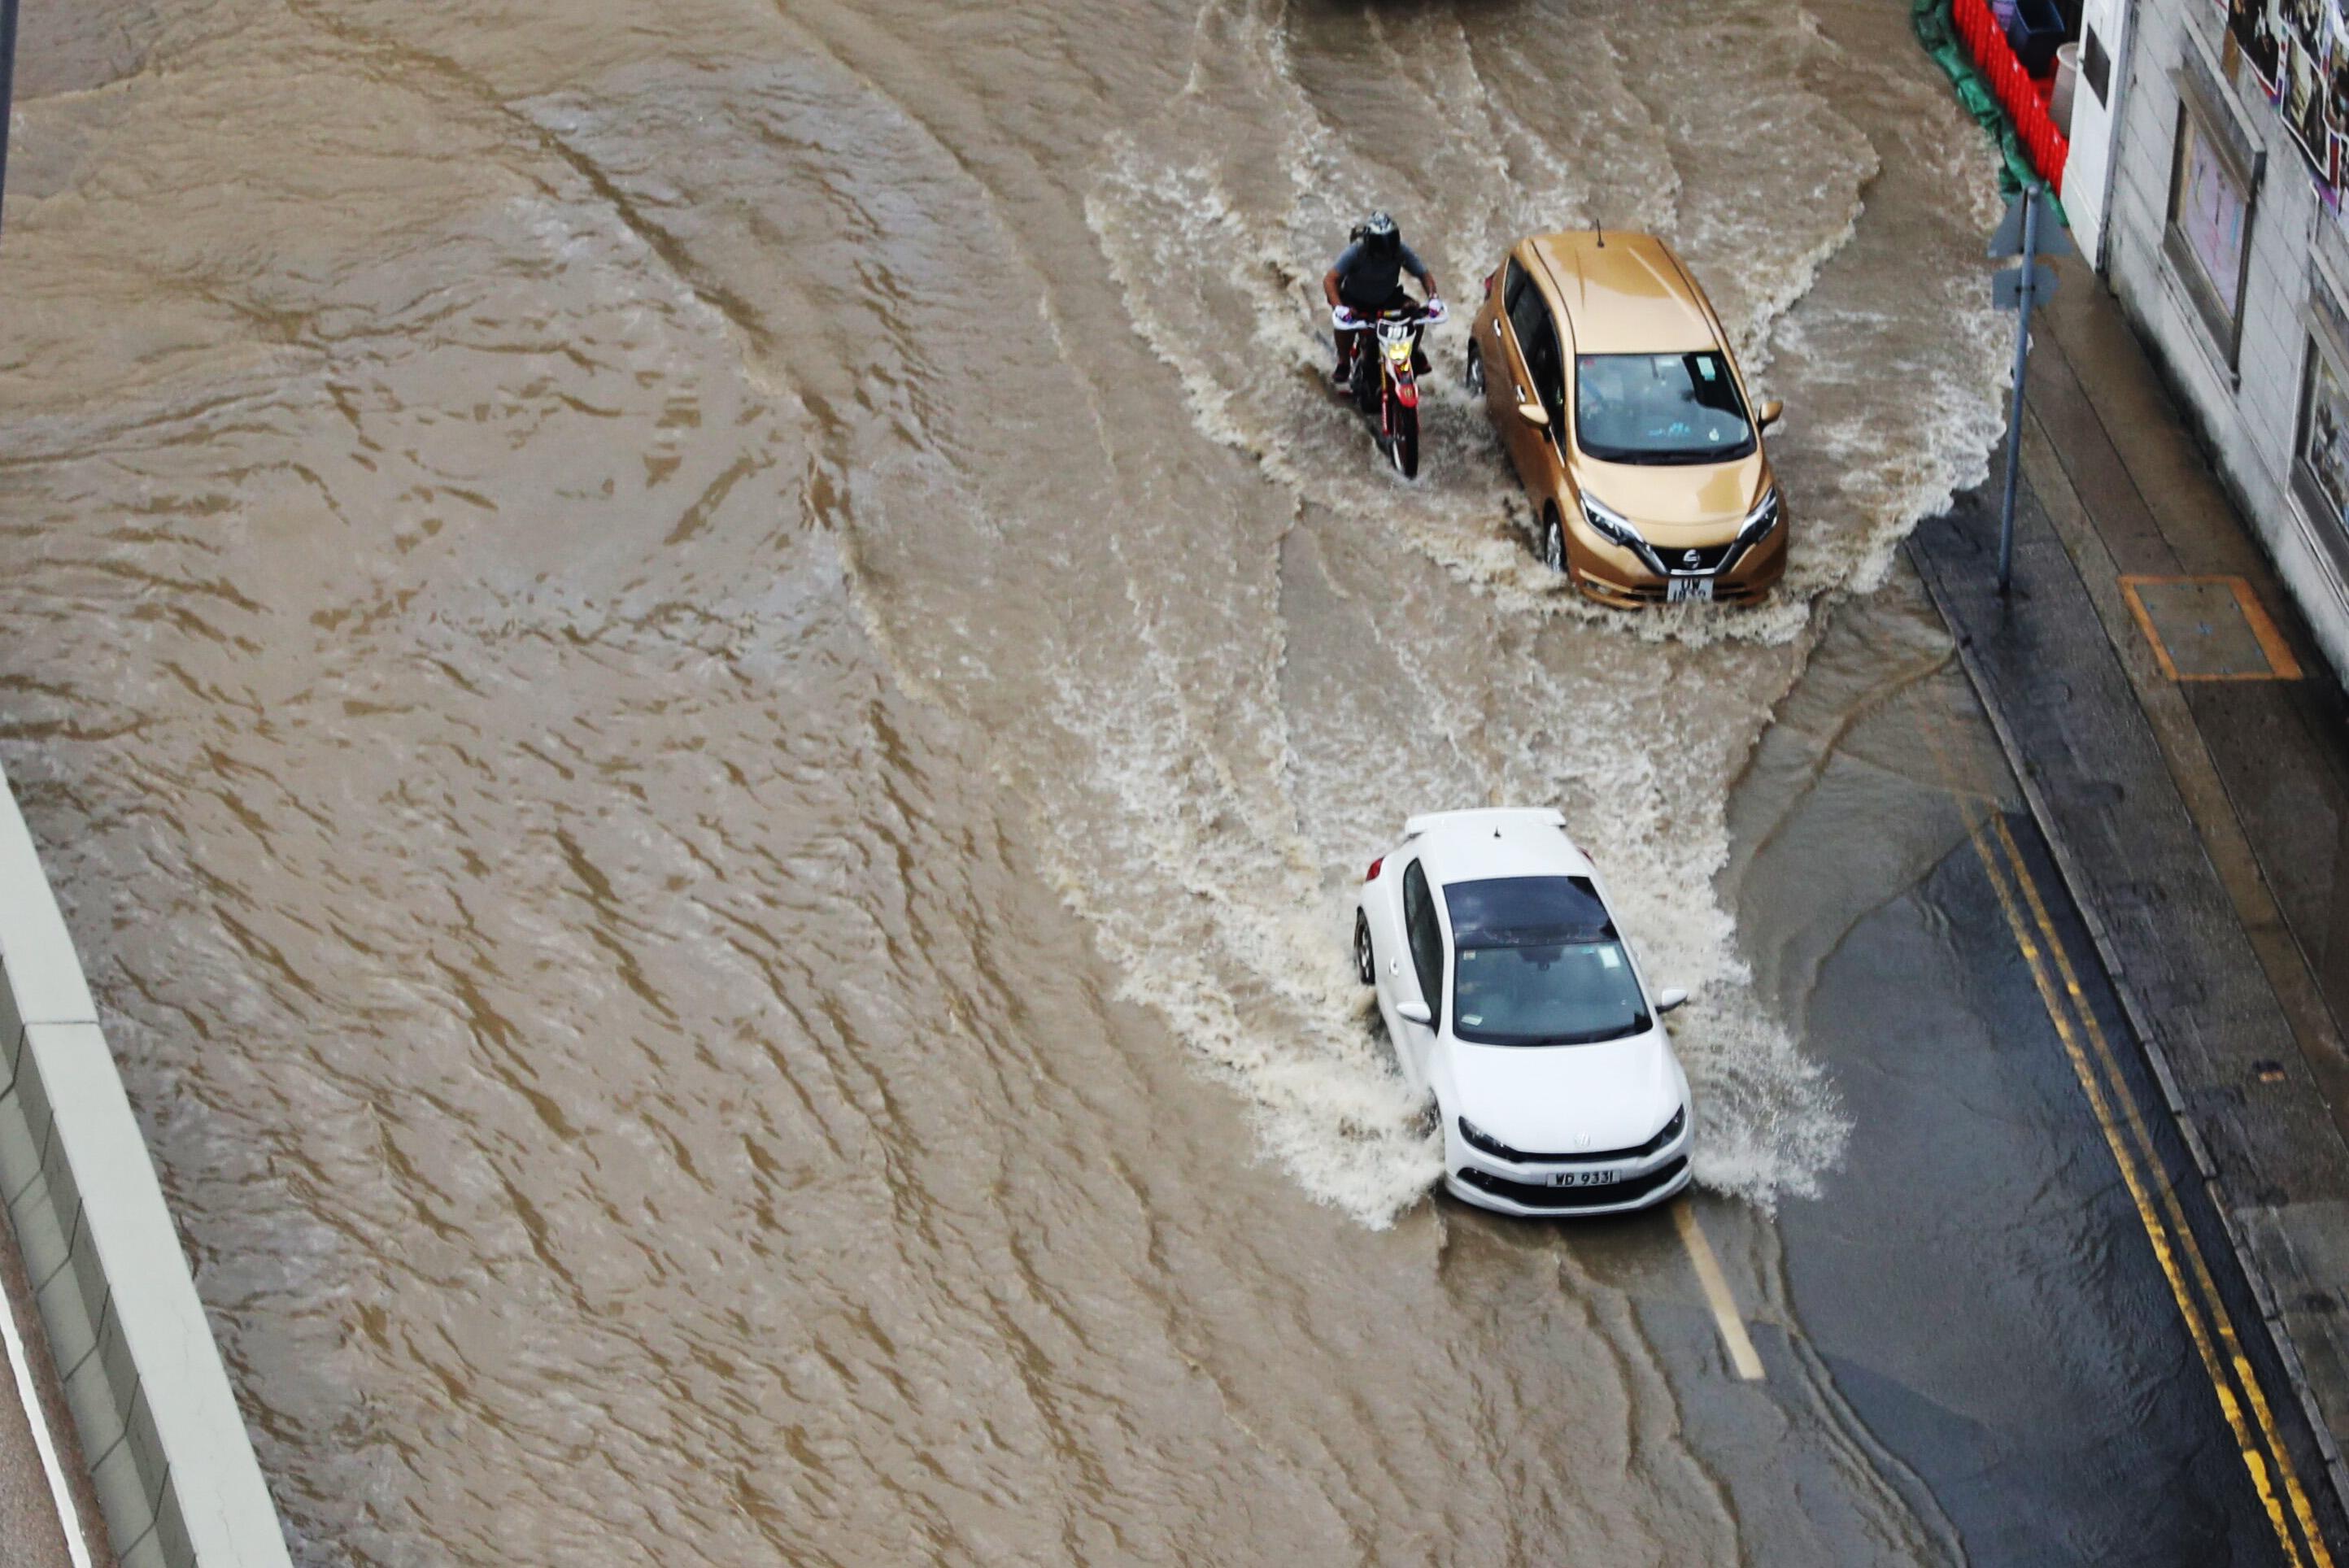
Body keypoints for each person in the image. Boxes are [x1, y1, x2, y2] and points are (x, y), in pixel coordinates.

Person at [1323, 211, 1441, 391]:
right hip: (1355, 300)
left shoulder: (1400, 250)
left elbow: (1424, 274)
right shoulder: (1356, 251)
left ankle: (1413, 352)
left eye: (1391, 242)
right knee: (1343, 326)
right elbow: (1330, 280)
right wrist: (1339, 308)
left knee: (1416, 316)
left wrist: (1433, 299)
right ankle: (1343, 361)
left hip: (1387, 298)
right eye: (1381, 244)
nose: (1386, 250)